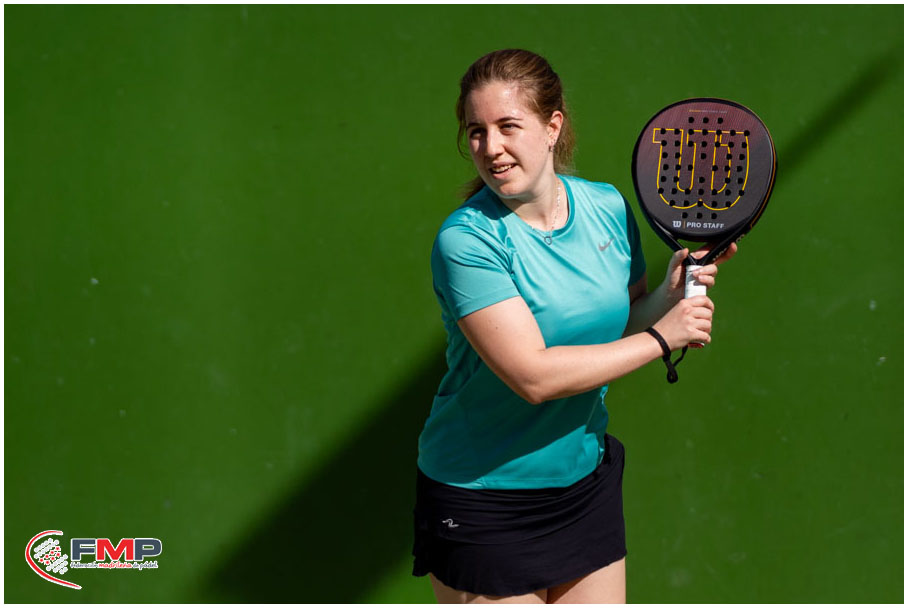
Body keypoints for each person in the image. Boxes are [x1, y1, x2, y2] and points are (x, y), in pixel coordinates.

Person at [411, 49, 736, 604]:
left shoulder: (607, 207)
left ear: (552, 126)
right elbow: (532, 377)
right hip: (484, 499)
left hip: (583, 486)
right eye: (476, 131)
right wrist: (664, 337)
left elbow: (621, 324)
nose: (490, 148)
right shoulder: (466, 242)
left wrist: (669, 294)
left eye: (507, 126)